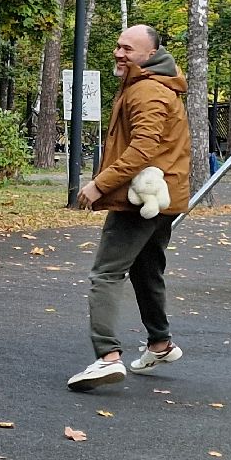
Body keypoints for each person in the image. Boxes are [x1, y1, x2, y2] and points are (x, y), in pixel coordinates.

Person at [67, 24, 191, 392]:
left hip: (138, 199)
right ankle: (160, 344)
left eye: (128, 49)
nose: (119, 54)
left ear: (150, 55)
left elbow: (143, 148)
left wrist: (98, 184)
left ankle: (106, 357)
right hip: (163, 197)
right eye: (118, 47)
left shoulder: (148, 91)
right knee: (146, 270)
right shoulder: (156, 85)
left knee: (106, 274)